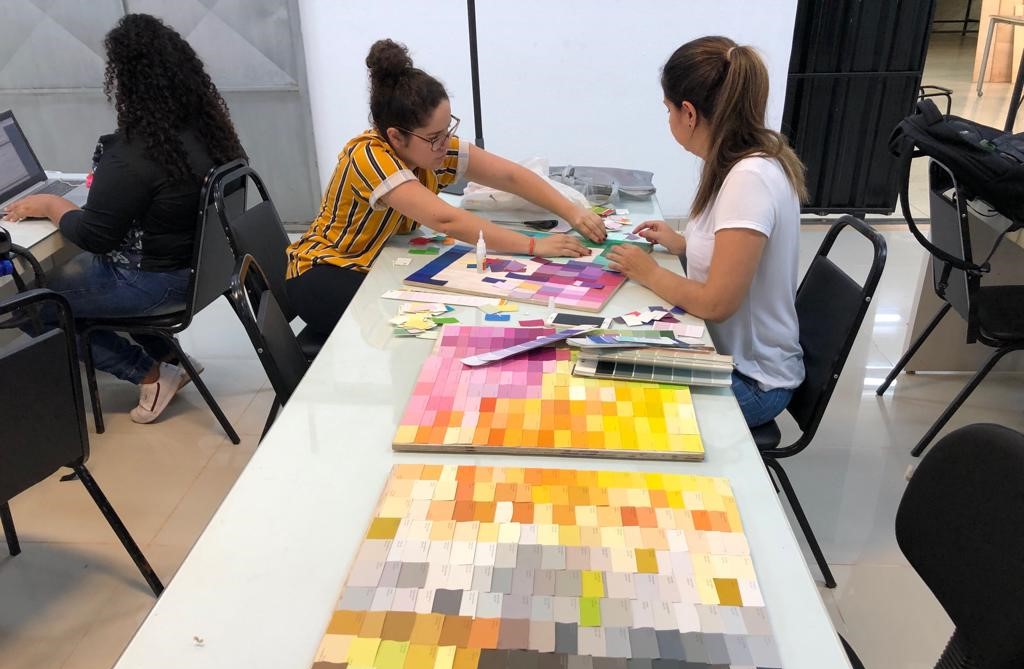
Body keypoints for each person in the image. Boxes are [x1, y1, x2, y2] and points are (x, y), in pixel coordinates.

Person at [2, 14, 245, 424]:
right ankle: (171, 358)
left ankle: (149, 374)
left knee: (33, 304)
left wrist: (51, 205)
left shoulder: (137, 152)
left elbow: (96, 237)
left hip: (158, 283)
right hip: (205, 272)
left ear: (126, 81)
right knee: (76, 279)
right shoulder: (209, 133)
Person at [286, 39, 607, 335]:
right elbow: (446, 219)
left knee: (441, 306)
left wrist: (573, 212)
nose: (445, 143)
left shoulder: (428, 150)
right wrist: (534, 246)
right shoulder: (369, 156)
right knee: (421, 324)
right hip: (324, 272)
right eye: (434, 137)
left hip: (372, 263)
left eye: (447, 129)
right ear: (396, 136)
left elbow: (510, 176)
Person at [606, 36, 806, 428]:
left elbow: (717, 304)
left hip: (753, 381)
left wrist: (649, 272)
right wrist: (681, 244)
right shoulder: (740, 159)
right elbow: (732, 255)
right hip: (727, 354)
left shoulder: (749, 179)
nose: (668, 120)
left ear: (689, 113)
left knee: (619, 404)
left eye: (668, 110)